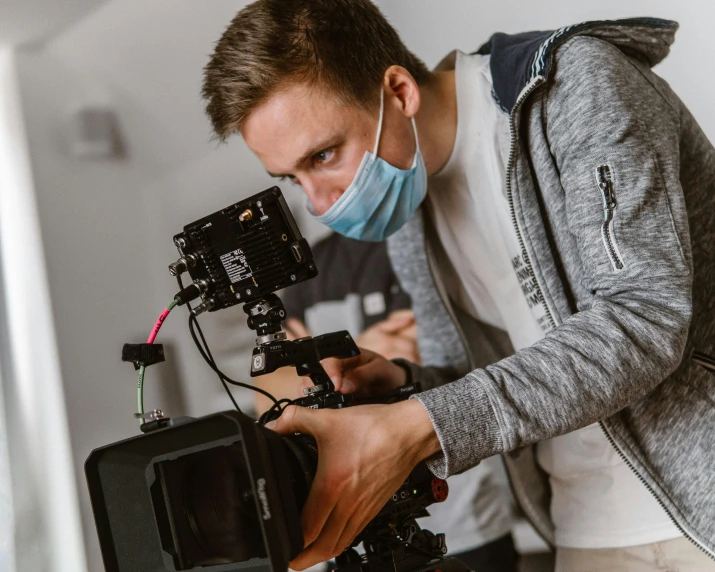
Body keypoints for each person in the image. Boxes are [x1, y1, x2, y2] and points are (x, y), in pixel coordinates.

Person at [202, 2, 715, 571]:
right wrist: (402, 383)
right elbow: (466, 376)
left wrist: (420, 424)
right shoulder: (409, 207)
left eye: (323, 155)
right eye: (293, 178)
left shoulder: (575, 85)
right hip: (585, 523)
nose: (319, 205)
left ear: (398, 91)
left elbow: (643, 317)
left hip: (702, 504)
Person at [252, 231, 518, 572]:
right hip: (354, 531)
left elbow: (433, 362)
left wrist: (322, 370)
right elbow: (267, 396)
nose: (313, 198)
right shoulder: (306, 268)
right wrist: (358, 349)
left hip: (467, 523)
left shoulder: (421, 244)